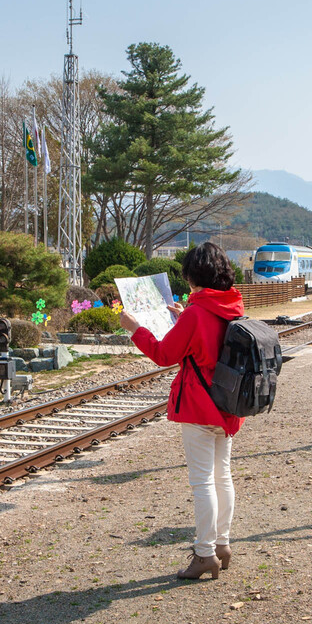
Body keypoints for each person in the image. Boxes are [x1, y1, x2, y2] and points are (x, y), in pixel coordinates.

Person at [119, 242, 243, 580]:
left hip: (200, 408)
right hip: (229, 406)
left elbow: (163, 355)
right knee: (223, 476)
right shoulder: (232, 306)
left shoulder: (195, 314)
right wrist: (182, 316)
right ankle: (222, 545)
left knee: (202, 482)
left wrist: (135, 329)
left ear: (194, 276)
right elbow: (208, 339)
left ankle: (204, 554)